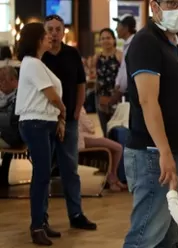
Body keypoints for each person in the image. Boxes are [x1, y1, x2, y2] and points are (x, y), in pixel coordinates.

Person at [107, 0, 178, 248]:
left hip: (174, 150)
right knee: (146, 232)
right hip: (150, 153)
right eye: (173, 2)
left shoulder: (175, 39)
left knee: (168, 234)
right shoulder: (146, 42)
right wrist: (162, 151)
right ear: (155, 6)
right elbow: (147, 100)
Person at [42, 14, 96, 230]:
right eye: (51, 29)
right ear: (45, 32)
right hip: (45, 120)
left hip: (69, 120)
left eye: (58, 29)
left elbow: (81, 84)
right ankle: (41, 219)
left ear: (63, 31)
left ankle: (76, 214)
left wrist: (76, 110)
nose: (55, 33)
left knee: (70, 169)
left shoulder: (72, 54)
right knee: (43, 170)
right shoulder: (40, 56)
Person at [15, 22, 66, 245]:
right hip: (35, 123)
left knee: (44, 176)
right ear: (36, 39)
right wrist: (63, 111)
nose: (49, 38)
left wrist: (59, 118)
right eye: (45, 34)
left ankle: (42, 221)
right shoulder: (32, 63)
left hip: (44, 123)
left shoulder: (37, 64)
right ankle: (36, 226)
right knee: (42, 175)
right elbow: (51, 96)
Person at [77, 108, 126, 191]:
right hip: (81, 138)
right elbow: (89, 127)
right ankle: (112, 177)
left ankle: (112, 177)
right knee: (118, 148)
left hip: (78, 137)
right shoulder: (78, 107)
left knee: (111, 148)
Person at [95, 28, 122, 136]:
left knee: (117, 128)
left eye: (108, 38)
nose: (105, 41)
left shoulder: (120, 55)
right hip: (101, 97)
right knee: (104, 129)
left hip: (116, 97)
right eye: (102, 38)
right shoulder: (97, 57)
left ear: (114, 40)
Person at [0, 66, 22, 187]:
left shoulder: (19, 97)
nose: (0, 84)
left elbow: (11, 120)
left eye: (3, 80)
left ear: (14, 81)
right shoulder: (3, 96)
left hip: (11, 135)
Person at [110, 14, 137, 106]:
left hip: (132, 92)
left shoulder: (134, 44)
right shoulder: (127, 44)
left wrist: (120, 90)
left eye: (118, 26)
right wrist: (118, 84)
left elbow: (128, 70)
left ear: (126, 28)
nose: (116, 29)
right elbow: (123, 68)